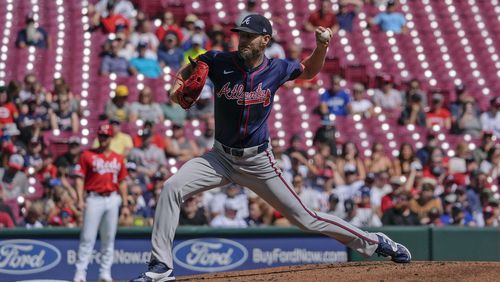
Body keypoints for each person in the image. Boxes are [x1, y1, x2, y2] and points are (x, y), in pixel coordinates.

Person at [132, 14, 410, 281]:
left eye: (249, 37)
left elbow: (310, 70)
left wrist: (322, 46)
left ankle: (375, 242)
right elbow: (190, 68)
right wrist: (178, 84)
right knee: (171, 187)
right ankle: (161, 267)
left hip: (258, 162)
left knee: (306, 218)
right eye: (240, 35)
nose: (242, 41)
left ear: (265, 40)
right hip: (219, 158)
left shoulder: (276, 68)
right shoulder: (219, 60)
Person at [73, 123, 129, 282]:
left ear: (111, 138)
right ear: (98, 137)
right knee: (87, 238)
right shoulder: (87, 155)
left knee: (109, 238)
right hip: (93, 198)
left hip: (112, 198)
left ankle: (105, 273)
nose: (103, 139)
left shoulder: (118, 158)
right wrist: (79, 199)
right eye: (101, 135)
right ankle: (80, 274)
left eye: (106, 136)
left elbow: (123, 182)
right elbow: (79, 179)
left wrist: (125, 204)